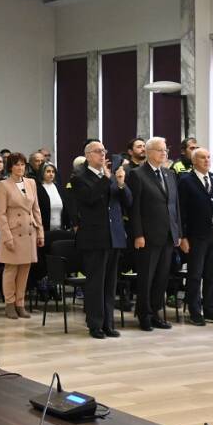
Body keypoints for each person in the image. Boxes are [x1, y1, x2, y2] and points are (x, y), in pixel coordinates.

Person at [71, 140, 130, 339]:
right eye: (98, 151)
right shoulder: (79, 177)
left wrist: (121, 184)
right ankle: (95, 324)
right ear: (88, 155)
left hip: (114, 236)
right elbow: (89, 198)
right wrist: (106, 179)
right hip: (95, 237)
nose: (103, 154)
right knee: (96, 282)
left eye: (104, 151)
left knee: (110, 283)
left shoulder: (112, 177)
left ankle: (108, 323)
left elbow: (127, 202)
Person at [128, 136, 182, 331]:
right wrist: (138, 234)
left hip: (168, 234)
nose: (164, 153)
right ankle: (144, 315)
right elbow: (134, 209)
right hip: (148, 236)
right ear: (149, 152)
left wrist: (178, 233)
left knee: (162, 277)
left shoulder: (169, 174)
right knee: (147, 278)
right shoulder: (137, 174)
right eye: (160, 150)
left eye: (165, 150)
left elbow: (175, 206)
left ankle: (156, 312)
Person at [178, 148, 213, 326]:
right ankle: (194, 310)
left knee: (211, 274)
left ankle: (210, 309)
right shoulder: (185, 180)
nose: (207, 160)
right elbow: (181, 210)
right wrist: (182, 237)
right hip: (195, 235)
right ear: (194, 161)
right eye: (202, 158)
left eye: (208, 157)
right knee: (195, 274)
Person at [0, 152, 44, 319]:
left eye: (22, 164)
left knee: (25, 269)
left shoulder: (31, 183)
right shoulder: (3, 185)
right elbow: (0, 214)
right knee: (11, 269)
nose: (20, 167)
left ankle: (20, 303)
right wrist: (7, 236)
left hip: (29, 231)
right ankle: (9, 303)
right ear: (10, 167)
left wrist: (40, 232)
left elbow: (36, 209)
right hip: (13, 232)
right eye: (16, 164)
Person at [36, 163, 67, 232]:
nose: (51, 174)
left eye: (53, 172)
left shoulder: (58, 187)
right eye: (48, 171)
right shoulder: (38, 189)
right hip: (45, 230)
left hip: (60, 229)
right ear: (42, 173)